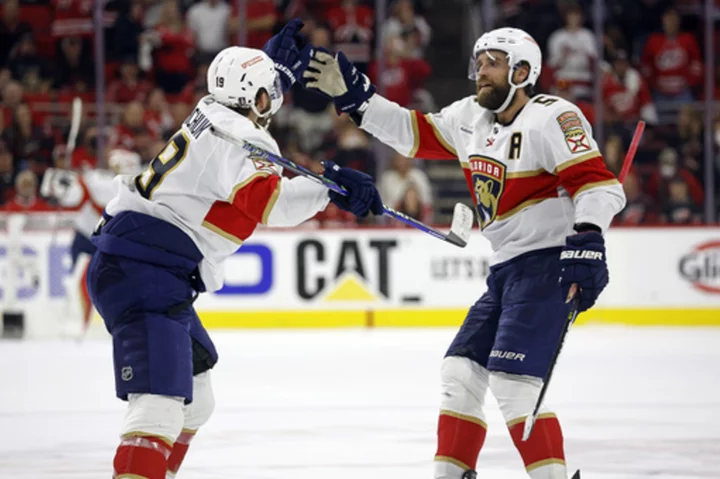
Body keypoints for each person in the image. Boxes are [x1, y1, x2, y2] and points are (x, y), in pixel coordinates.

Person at [304, 27, 626, 478]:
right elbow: (409, 132)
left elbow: (599, 186)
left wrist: (588, 237)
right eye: (480, 61)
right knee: (460, 373)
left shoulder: (553, 116)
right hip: (506, 269)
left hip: (549, 264)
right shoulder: (469, 117)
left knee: (514, 385)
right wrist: (356, 99)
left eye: (493, 62)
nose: (481, 71)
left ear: (522, 71)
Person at [86, 34, 383, 479]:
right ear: (258, 97)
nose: (276, 101)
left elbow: (245, 108)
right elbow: (270, 204)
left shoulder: (212, 110)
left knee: (196, 398)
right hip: (144, 269)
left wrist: (273, 73)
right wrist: (330, 190)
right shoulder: (241, 132)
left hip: (144, 264)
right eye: (273, 93)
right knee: (159, 409)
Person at [40, 148, 142, 268]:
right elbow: (71, 193)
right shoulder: (99, 180)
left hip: (112, 245)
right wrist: (59, 184)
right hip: (87, 239)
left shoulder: (139, 192)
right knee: (82, 283)